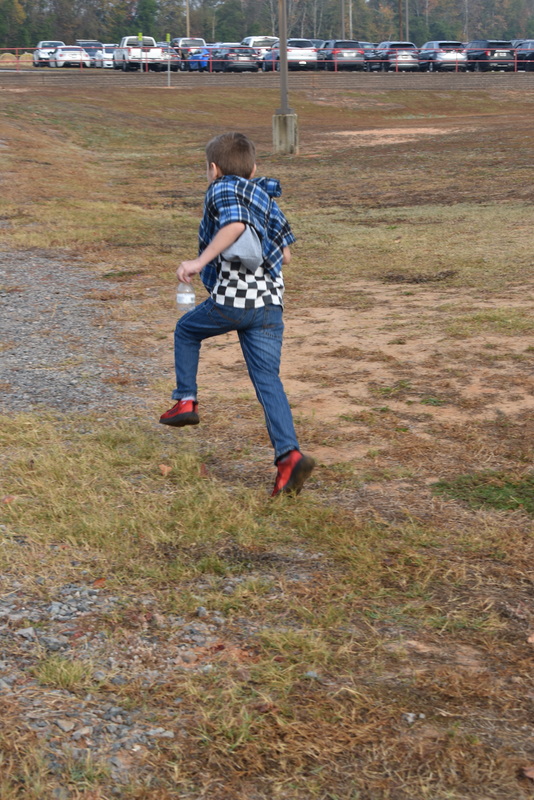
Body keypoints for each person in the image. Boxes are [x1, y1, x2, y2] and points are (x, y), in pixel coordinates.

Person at [159, 132, 314, 497]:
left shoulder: (222, 188)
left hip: (234, 300)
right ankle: (289, 457)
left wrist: (199, 261)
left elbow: (236, 225)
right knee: (268, 381)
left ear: (213, 169)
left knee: (186, 330)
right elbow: (285, 256)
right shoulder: (263, 195)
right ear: (254, 168)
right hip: (269, 305)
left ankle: (185, 399)